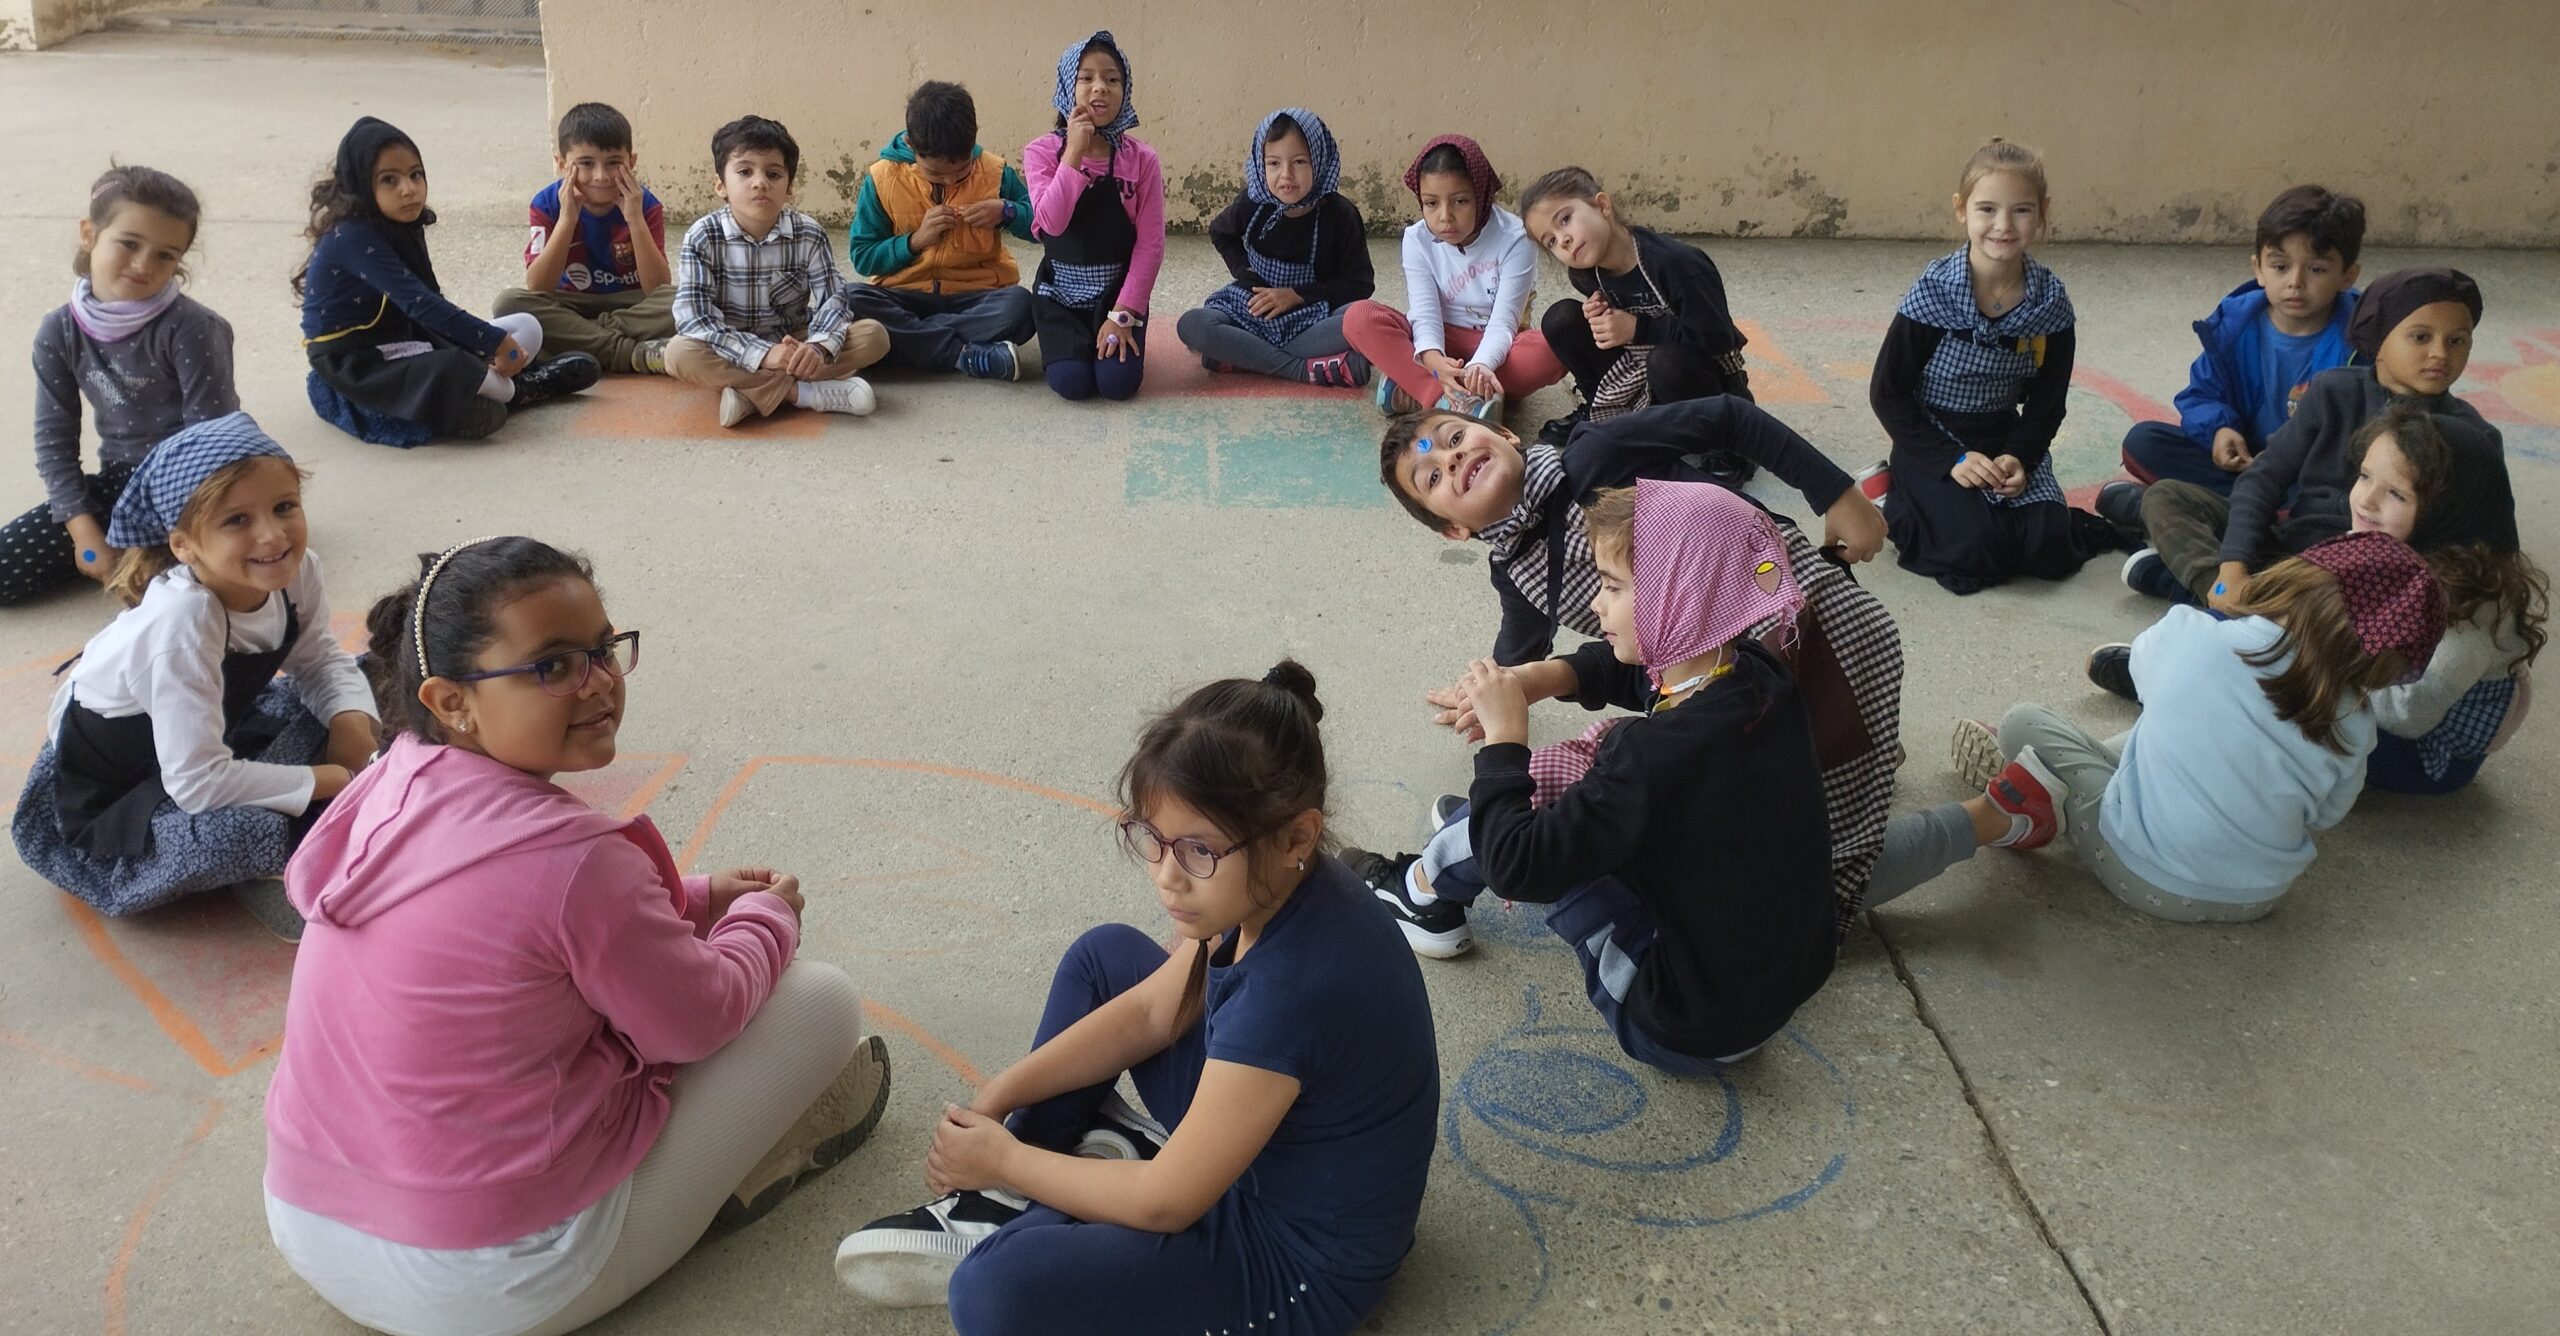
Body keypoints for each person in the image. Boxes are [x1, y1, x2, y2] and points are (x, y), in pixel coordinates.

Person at [265, 537, 889, 1336]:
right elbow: (696, 1020)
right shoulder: (575, 862)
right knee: (818, 1000)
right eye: (553, 666)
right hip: (487, 1287)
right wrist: (766, 921)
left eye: (602, 650)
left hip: (310, 1224)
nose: (598, 682)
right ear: (452, 700)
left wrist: (694, 899)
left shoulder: (388, 783)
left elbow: (512, 926)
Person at [836, 662, 1438, 1335]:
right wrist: (1002, 1095)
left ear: (1297, 836)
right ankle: (1038, 1194)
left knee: (991, 1291)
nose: (1166, 876)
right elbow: (1152, 1012)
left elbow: (1165, 1204)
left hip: (1291, 1268)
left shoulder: (1289, 990)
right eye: (1154, 840)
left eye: (1198, 851)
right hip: (1264, 1154)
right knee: (1103, 959)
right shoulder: (1272, 887)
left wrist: (1005, 1159)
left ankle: (1043, 1207)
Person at [1349, 482, 1836, 1071]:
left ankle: (1423, 890)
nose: (1597, 605)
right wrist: (1541, 677)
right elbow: (1644, 674)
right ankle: (1482, 824)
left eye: (1613, 586)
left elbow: (1519, 867)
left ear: (1679, 596)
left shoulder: (1650, 757)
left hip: (1676, 1023)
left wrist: (1505, 740)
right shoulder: (1758, 674)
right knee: (1582, 784)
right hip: (1766, 992)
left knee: (1533, 814)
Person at [1375, 401, 1899, 936]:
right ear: (1454, 530)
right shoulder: (1516, 571)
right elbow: (1522, 647)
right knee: (1785, 781)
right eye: (1432, 475)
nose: (1451, 457)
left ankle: (1461, 854)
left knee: (1820, 777)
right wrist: (1491, 691)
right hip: (1710, 681)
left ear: (1507, 434)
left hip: (1794, 616)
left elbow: (1729, 418)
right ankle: (1488, 826)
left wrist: (1836, 493)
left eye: (1454, 437)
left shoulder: (1597, 454)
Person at [1938, 532, 2443, 923]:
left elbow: (2143, 675)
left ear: (2298, 574)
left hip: (2144, 875)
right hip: (2258, 898)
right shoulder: (2357, 723)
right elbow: (2327, 816)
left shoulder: (2195, 634)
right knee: (2169, 742)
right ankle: (2069, 783)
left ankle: (2043, 802)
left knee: (2023, 721)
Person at [9, 415, 378, 921]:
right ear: (182, 544)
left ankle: (296, 826)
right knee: (238, 834)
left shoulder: (299, 570)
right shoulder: (183, 621)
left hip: (208, 728)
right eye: (237, 520)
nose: (273, 536)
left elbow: (318, 661)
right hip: (120, 784)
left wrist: (349, 721)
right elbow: (198, 784)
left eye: (284, 507)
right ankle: (276, 859)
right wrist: (331, 779)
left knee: (374, 679)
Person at [2092, 407, 2545, 798]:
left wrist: (2312, 673)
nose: (2366, 500)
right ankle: (2193, 678)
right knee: (2253, 635)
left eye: (2397, 494)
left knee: (2271, 717)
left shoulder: (2468, 613)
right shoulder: (2387, 548)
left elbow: (2409, 717)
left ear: (2449, 513)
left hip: (2419, 753)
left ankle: (2176, 702)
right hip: (2362, 683)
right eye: (2365, 476)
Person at [2126, 266, 2488, 605]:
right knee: (2165, 496)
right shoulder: (2333, 391)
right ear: (2378, 338)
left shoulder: (2471, 436)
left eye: (2458, 341)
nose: (2440, 353)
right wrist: (2232, 567)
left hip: (2366, 579)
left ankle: (2233, 604)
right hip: (2288, 543)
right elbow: (2262, 478)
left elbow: (2486, 550)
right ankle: (2224, 597)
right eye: (2421, 337)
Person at [1867, 138, 2120, 594]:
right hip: (1933, 437)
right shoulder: (1934, 293)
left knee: (2047, 543)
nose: (2003, 225)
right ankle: (1890, 500)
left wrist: (2020, 457)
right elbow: (1888, 393)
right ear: (1961, 210)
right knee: (1973, 549)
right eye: (1987, 209)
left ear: (2042, 213)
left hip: (2002, 434)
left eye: (2021, 210)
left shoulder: (2049, 303)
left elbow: (2047, 402)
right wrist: (1951, 460)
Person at [1, 164, 236, 608]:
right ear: (89, 234)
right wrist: (85, 536)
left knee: (187, 596)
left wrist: (178, 530)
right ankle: (137, 554)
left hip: (194, 488)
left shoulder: (193, 328)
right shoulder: (59, 331)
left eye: (165, 255)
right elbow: (54, 442)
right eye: (129, 243)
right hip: (120, 483)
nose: (143, 265)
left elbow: (212, 444)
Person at [300, 117, 600, 446]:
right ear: (359, 183)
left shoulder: (402, 223)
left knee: (528, 326)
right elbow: (422, 304)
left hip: (407, 335)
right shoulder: (352, 237)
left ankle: (497, 389)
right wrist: (495, 344)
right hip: (358, 358)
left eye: (415, 175)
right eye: (389, 180)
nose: (408, 189)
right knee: (460, 367)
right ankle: (522, 389)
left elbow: (430, 301)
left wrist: (489, 343)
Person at [2103, 185, 2364, 512]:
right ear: (2258, 269)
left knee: (2350, 491)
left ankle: (2223, 511)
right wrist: (2220, 430)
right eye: (2280, 267)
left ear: (2347, 276)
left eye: (2317, 269)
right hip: (2248, 461)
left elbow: (2371, 431)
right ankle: (2263, 513)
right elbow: (2201, 394)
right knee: (2143, 443)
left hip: (2310, 473)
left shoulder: (2361, 339)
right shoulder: (2235, 327)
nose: (2295, 282)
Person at [667, 114, 892, 427]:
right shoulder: (702, 236)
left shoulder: (808, 233)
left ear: (789, 188)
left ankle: (749, 395)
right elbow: (695, 318)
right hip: (731, 345)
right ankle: (802, 394)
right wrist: (763, 354)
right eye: (745, 171)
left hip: (794, 341)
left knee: (874, 336)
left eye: (773, 174)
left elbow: (833, 300)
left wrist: (817, 347)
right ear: (720, 185)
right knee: (679, 353)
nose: (760, 182)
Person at [1515, 165, 1749, 446]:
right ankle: (1598, 408)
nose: (1563, 240)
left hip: (1703, 376)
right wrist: (1601, 314)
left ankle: (1723, 443)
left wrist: (1637, 329)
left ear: (1602, 206)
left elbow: (1718, 339)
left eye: (1565, 219)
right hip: (1641, 370)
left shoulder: (1675, 264)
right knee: (1560, 318)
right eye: (1551, 240)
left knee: (1666, 362)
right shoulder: (1585, 274)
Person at [1342, 134, 1561, 422]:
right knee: (1358, 317)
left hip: (1498, 350)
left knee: (1553, 348)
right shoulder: (1417, 239)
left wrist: (1481, 366)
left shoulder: (1516, 238)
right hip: (1440, 340)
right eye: (1431, 203)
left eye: (1460, 201)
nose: (1445, 216)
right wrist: (1433, 360)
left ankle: (1413, 384)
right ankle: (1446, 398)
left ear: (1482, 195)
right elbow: (1425, 314)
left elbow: (1504, 323)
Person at [842, 80, 1039, 382]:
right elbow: (863, 258)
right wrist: (914, 241)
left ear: (974, 137)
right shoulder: (882, 178)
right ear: (910, 144)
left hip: (975, 297)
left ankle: (906, 344)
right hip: (903, 296)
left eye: (961, 171)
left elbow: (1041, 225)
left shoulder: (995, 172)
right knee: (848, 298)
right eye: (936, 173)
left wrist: (1007, 211)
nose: (949, 181)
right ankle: (962, 355)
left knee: (1022, 306)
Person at [1175, 109, 1375, 386]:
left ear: (1319, 160)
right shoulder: (1253, 203)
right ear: (1261, 164)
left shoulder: (1339, 214)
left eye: (1300, 161)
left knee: (1367, 318)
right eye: (1273, 163)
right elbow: (1220, 233)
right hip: (1253, 309)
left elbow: (1360, 284)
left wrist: (1296, 295)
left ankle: (1241, 355)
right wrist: (1247, 275)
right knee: (1193, 325)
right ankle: (1301, 369)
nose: (1286, 175)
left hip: (1312, 317)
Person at [1021, 32, 1165, 403]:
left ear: (1125, 90)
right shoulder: (1041, 153)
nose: (1099, 87)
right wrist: (1074, 151)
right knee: (1072, 383)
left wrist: (1123, 314)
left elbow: (1150, 246)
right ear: (1067, 87)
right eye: (1086, 78)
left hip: (1117, 296)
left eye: (1112, 79)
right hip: (1061, 297)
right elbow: (1051, 223)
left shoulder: (1142, 160)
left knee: (1117, 384)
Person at [494, 100, 679, 375]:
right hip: (570, 303)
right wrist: (567, 219)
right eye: (586, 163)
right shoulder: (546, 204)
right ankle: (628, 353)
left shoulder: (645, 205)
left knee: (688, 299)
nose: (600, 176)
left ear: (631, 162)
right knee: (509, 303)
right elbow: (538, 286)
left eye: (613, 163)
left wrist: (635, 220)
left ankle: (581, 339)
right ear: (562, 164)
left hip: (630, 303)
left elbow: (658, 287)